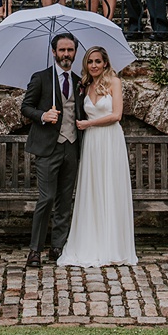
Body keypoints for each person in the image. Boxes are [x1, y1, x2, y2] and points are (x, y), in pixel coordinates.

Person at [58, 46, 137, 268]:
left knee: (110, 189)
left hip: (109, 140)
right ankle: (91, 242)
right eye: (90, 62)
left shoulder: (114, 82)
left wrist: (88, 123)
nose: (94, 65)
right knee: (92, 190)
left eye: (98, 61)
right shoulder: (85, 86)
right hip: (91, 143)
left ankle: (112, 246)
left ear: (105, 63)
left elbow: (116, 115)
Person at [21, 32, 86, 267]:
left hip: (72, 147)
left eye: (70, 50)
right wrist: (43, 115)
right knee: (46, 199)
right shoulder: (40, 78)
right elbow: (25, 107)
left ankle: (58, 246)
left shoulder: (80, 82)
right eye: (62, 50)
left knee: (64, 200)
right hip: (48, 148)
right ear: (54, 52)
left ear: (75, 53)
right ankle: (35, 250)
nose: (66, 54)